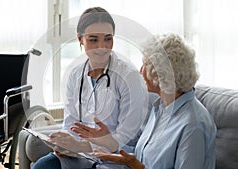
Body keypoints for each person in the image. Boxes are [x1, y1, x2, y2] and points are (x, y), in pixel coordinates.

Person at [75, 33, 217, 169]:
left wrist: (137, 166)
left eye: (145, 65)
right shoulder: (160, 108)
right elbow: (143, 155)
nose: (140, 70)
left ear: (161, 73)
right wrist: (110, 141)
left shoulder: (193, 126)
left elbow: (140, 164)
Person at [32, 7, 147, 169]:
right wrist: (65, 144)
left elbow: (129, 137)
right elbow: (71, 124)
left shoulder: (129, 76)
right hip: (81, 156)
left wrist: (84, 146)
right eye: (93, 40)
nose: (102, 46)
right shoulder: (75, 75)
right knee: (43, 166)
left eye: (108, 39)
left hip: (116, 157)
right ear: (80, 39)